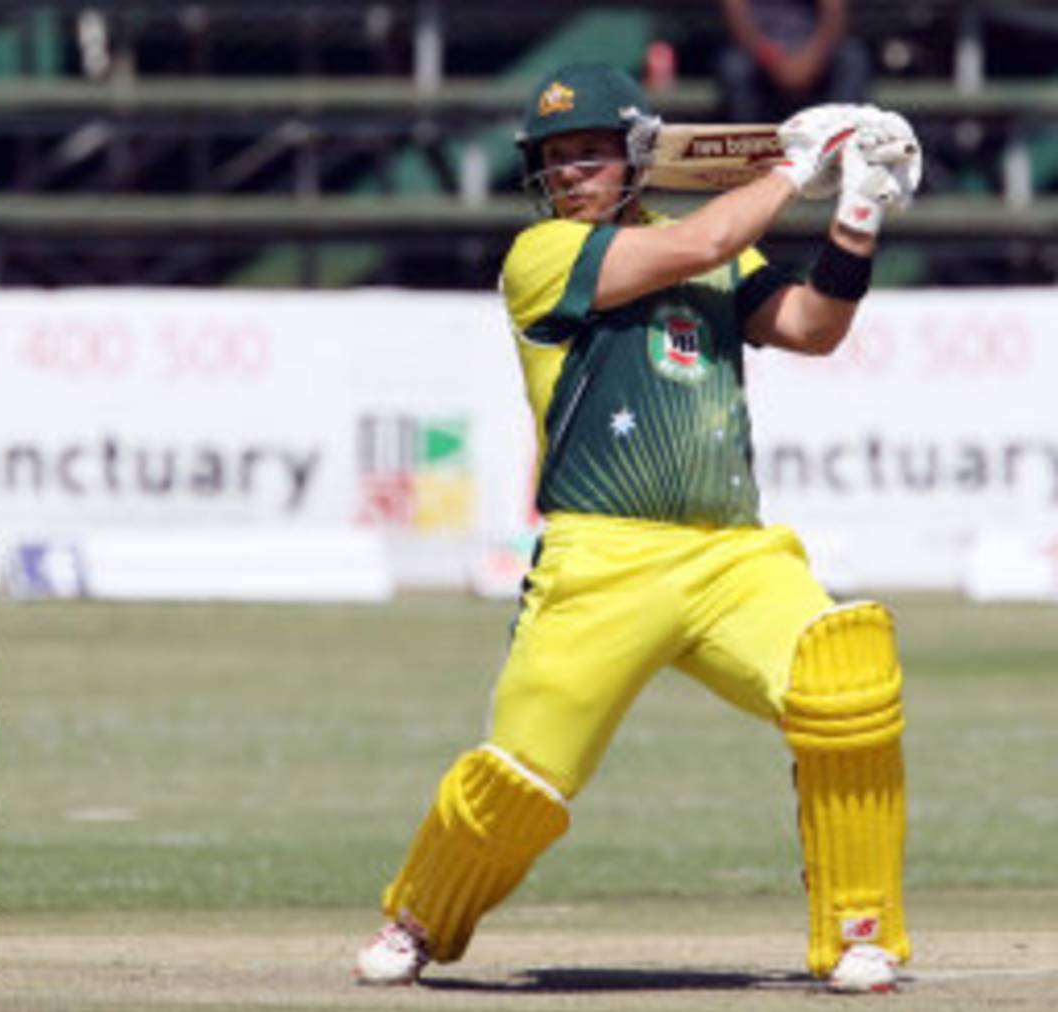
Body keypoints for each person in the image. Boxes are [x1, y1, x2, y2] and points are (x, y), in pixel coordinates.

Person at [354, 61, 922, 994]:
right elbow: (700, 244)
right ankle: (419, 917)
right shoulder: (543, 257)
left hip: (733, 555)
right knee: (521, 785)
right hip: (601, 560)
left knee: (846, 679)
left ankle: (861, 932)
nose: (571, 172)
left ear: (632, 158)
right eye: (555, 158)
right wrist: (793, 166)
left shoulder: (714, 246)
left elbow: (813, 326)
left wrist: (858, 209)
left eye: (589, 153)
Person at [718, 0, 872, 123]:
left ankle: (841, 145)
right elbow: (736, 15)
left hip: (811, 47)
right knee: (735, 67)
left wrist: (811, 59)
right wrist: (772, 60)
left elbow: (834, 12)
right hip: (760, 48)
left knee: (852, 58)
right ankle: (749, 152)